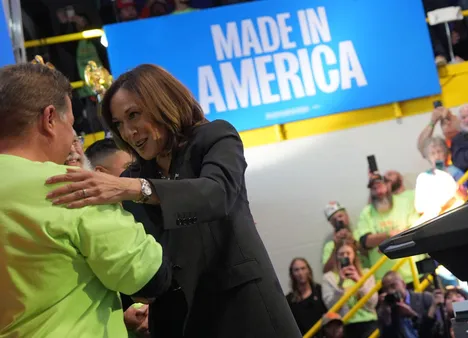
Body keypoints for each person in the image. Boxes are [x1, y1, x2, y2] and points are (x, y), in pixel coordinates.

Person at [45, 64, 300, 338]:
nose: (129, 132)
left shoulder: (214, 137)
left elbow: (216, 195)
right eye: (119, 124)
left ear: (162, 104)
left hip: (243, 309)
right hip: (176, 320)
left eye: (134, 115)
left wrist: (136, 188)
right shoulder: (133, 176)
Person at [0, 63, 172, 337]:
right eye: (71, 125)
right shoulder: (72, 186)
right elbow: (149, 278)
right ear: (49, 119)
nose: (72, 138)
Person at [322, 239, 378, 338]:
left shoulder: (366, 273)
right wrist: (340, 284)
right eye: (341, 254)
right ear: (336, 256)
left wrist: (360, 282)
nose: (345, 256)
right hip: (345, 325)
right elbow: (331, 307)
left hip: (368, 321)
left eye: (348, 253)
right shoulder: (329, 278)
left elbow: (373, 302)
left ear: (354, 255)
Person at [286, 258, 328, 336]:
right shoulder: (289, 300)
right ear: (292, 274)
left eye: (303, 268)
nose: (300, 273)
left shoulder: (320, 290)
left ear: (308, 270)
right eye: (296, 270)